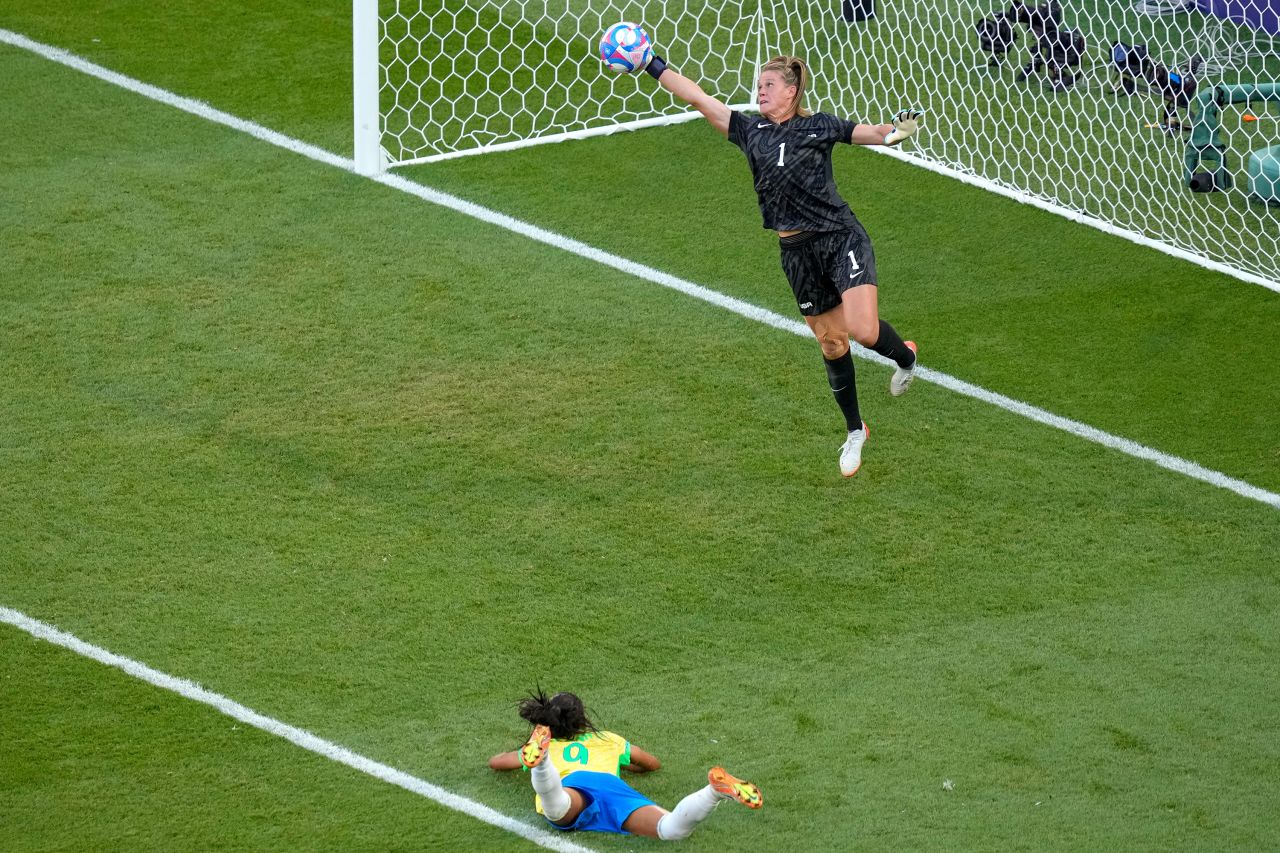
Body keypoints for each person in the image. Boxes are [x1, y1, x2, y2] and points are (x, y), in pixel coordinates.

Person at [637, 48, 923, 477]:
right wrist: (651, 64)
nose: (760, 92)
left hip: (838, 237)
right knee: (831, 342)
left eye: (768, 86)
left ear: (791, 91)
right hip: (796, 254)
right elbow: (700, 99)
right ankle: (855, 430)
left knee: (863, 330)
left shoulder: (819, 126)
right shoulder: (750, 131)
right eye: (758, 86)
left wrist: (896, 132)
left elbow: (872, 133)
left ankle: (905, 359)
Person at [489, 690, 761, 839]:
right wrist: (626, 764)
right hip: (610, 786)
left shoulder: (549, 744)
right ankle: (714, 790)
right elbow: (652, 763)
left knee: (556, 804)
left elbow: (497, 762)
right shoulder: (608, 740)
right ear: (584, 721)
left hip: (572, 785)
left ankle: (542, 763)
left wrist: (528, 754)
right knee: (670, 830)